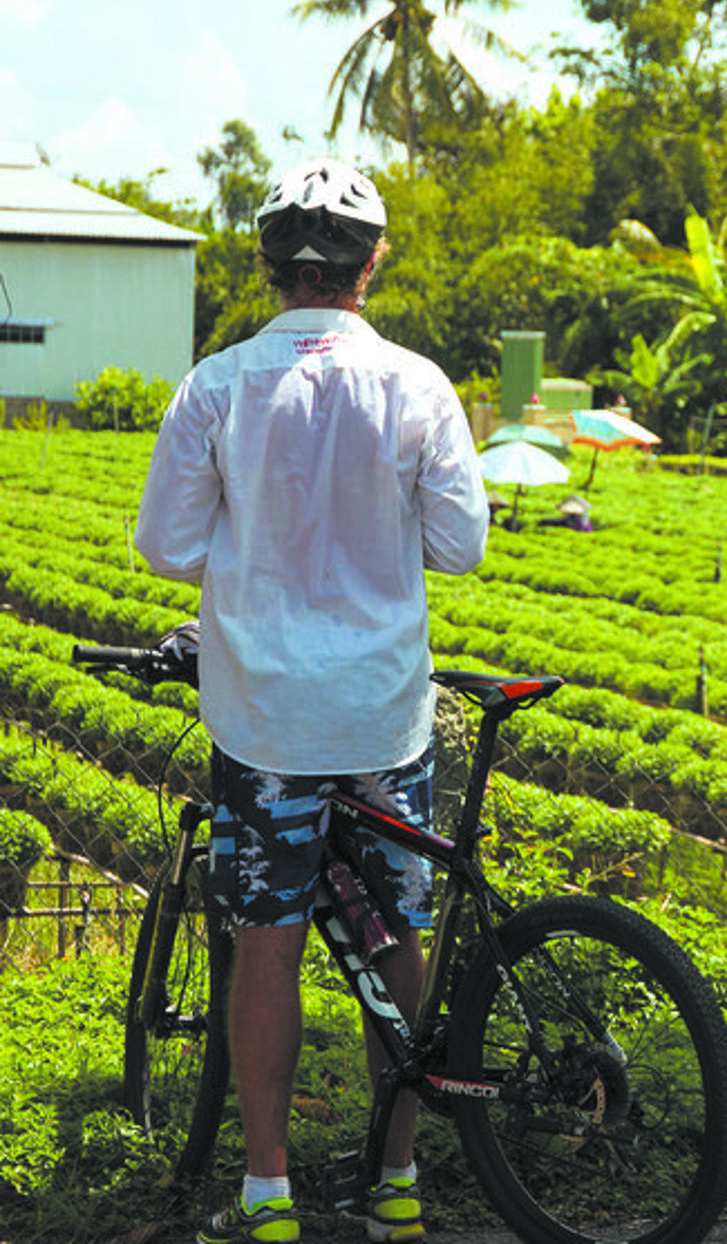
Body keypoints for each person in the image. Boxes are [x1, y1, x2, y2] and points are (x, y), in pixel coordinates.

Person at [134, 158, 488, 1244]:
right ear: (370, 264)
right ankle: (395, 1184)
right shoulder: (420, 385)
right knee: (396, 938)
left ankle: (269, 1196)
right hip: (386, 712)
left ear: (268, 264)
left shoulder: (218, 384)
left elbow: (165, 545)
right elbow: (460, 547)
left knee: (267, 940)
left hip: (267, 722)